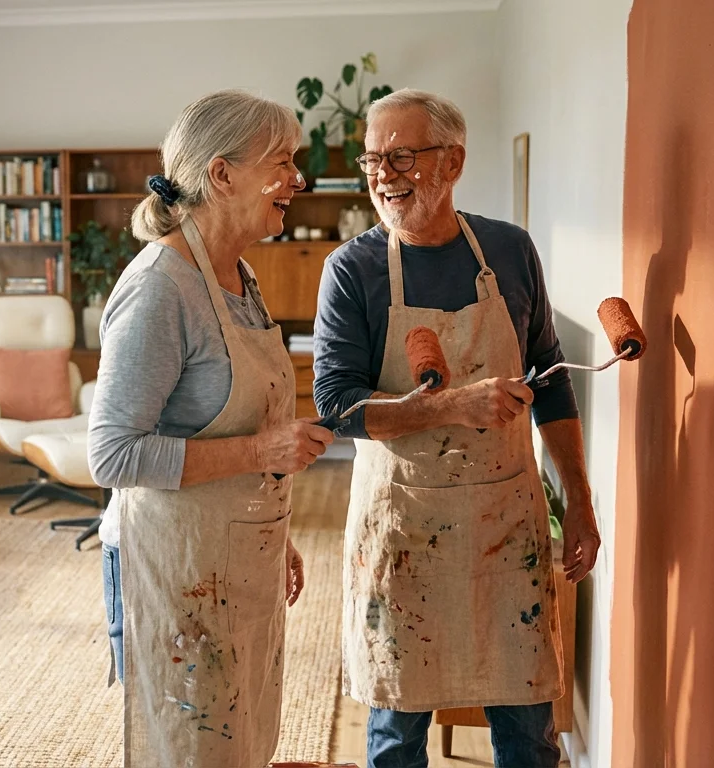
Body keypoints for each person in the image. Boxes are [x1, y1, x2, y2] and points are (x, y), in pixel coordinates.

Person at [313, 89, 603, 767]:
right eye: (372, 159)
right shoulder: (352, 271)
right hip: (401, 527)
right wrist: (450, 407)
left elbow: (552, 379)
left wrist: (582, 505)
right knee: (396, 736)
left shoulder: (508, 249)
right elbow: (336, 407)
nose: (383, 174)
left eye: (402, 155)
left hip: (506, 524)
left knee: (529, 728)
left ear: (454, 162)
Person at [87, 88, 335, 768]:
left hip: (236, 557)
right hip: (176, 566)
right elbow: (111, 455)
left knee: (243, 732)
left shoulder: (241, 274)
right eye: (281, 162)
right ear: (221, 175)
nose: (297, 180)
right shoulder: (160, 287)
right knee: (192, 747)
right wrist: (263, 450)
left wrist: (273, 536)